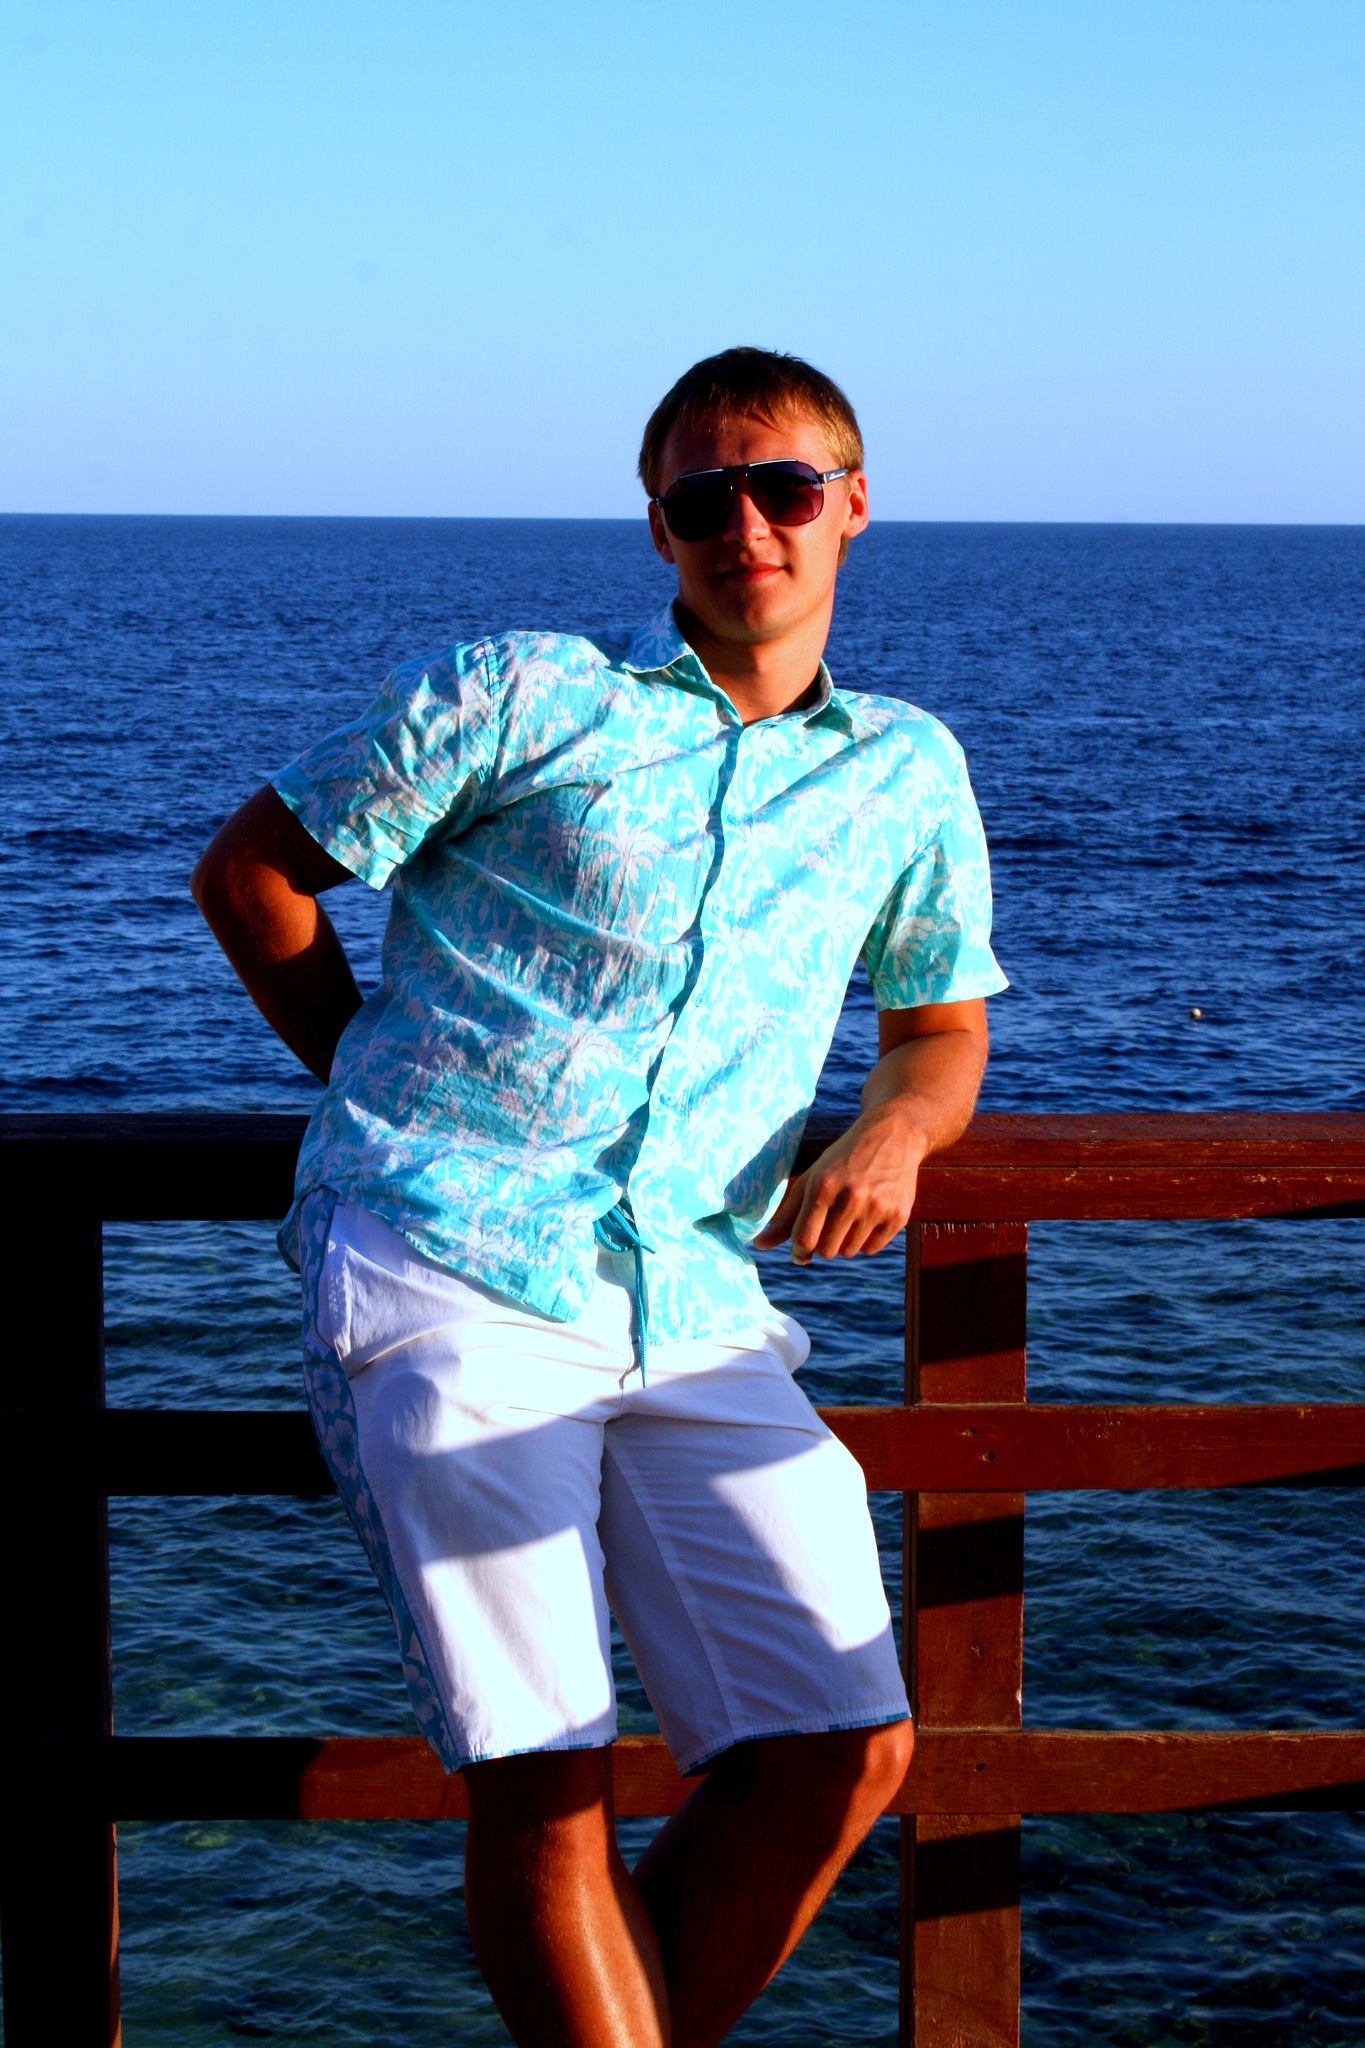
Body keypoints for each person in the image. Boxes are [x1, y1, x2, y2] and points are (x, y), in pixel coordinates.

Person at [191, 346, 1008, 2048]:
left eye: (782, 486)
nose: (745, 524)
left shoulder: (903, 770)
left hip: (698, 1300)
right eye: (702, 496)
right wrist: (383, 1089)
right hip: (450, 1264)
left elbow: (938, 1027)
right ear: (658, 527)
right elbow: (255, 873)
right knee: (548, 1777)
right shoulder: (523, 695)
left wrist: (894, 1136)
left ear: (852, 505)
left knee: (839, 1745)